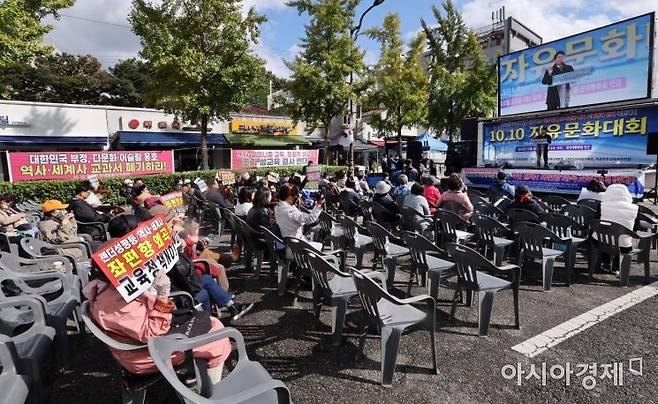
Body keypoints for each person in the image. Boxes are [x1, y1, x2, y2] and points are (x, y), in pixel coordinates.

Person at [82, 215, 231, 380]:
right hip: (145, 354)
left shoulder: (110, 288)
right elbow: (153, 332)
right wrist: (162, 295)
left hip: (144, 341)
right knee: (219, 337)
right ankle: (211, 392)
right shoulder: (112, 302)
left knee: (211, 322)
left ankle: (196, 371)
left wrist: (158, 295)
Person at [274, 183, 324, 251]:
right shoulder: (290, 211)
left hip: (288, 242)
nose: (297, 197)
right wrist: (318, 204)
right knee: (320, 246)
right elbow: (310, 219)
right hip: (296, 245)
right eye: (295, 195)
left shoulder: (278, 207)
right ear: (289, 196)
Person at [600, 184, 638, 252]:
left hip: (602, 242)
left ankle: (602, 261)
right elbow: (635, 228)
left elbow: (596, 222)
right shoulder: (635, 208)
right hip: (625, 245)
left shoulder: (601, 206)